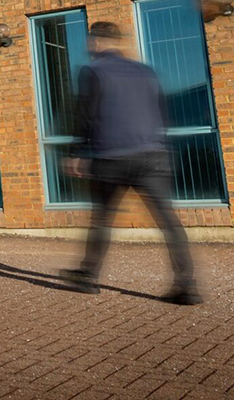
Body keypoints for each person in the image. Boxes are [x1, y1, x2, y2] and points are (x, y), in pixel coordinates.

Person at [59, 20, 201, 304]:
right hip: (153, 156)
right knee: (169, 222)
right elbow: (161, 111)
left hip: (111, 157)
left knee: (102, 220)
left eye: (90, 41)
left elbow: (84, 114)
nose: (89, 46)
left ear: (97, 41)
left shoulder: (92, 70)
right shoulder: (146, 71)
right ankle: (187, 286)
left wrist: (76, 151)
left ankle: (87, 276)